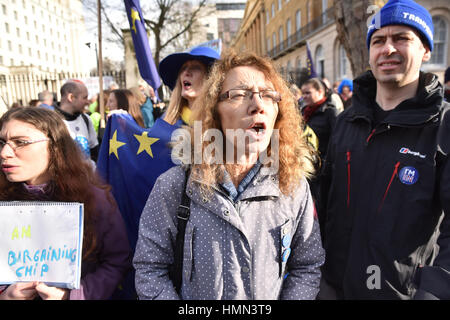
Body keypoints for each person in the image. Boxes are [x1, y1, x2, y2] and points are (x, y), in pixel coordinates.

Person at [133, 50, 325, 300]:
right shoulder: (175, 185)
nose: (257, 105)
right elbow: (150, 269)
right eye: (239, 94)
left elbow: (307, 266)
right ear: (215, 111)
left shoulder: (293, 187)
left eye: (267, 95)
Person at [318, 0, 450, 299]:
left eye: (402, 38)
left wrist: (433, 292)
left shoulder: (443, 124)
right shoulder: (346, 120)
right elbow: (324, 206)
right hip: (332, 289)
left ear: (425, 50)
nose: (388, 49)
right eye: (378, 40)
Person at [0, 107, 131, 300]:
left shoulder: (94, 199)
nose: (5, 152)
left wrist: (73, 296)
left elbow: (117, 261)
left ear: (55, 147)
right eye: (2, 142)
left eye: (20, 142)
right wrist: (4, 295)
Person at [55, 81, 99, 164]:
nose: (87, 102)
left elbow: (94, 149)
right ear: (71, 97)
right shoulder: (51, 121)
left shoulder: (86, 119)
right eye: (84, 97)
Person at [301, 78, 337, 162]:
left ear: (320, 92)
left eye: (308, 93)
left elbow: (336, 142)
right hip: (306, 163)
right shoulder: (304, 111)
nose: (304, 96)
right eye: (303, 93)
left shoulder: (330, 112)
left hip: (323, 164)